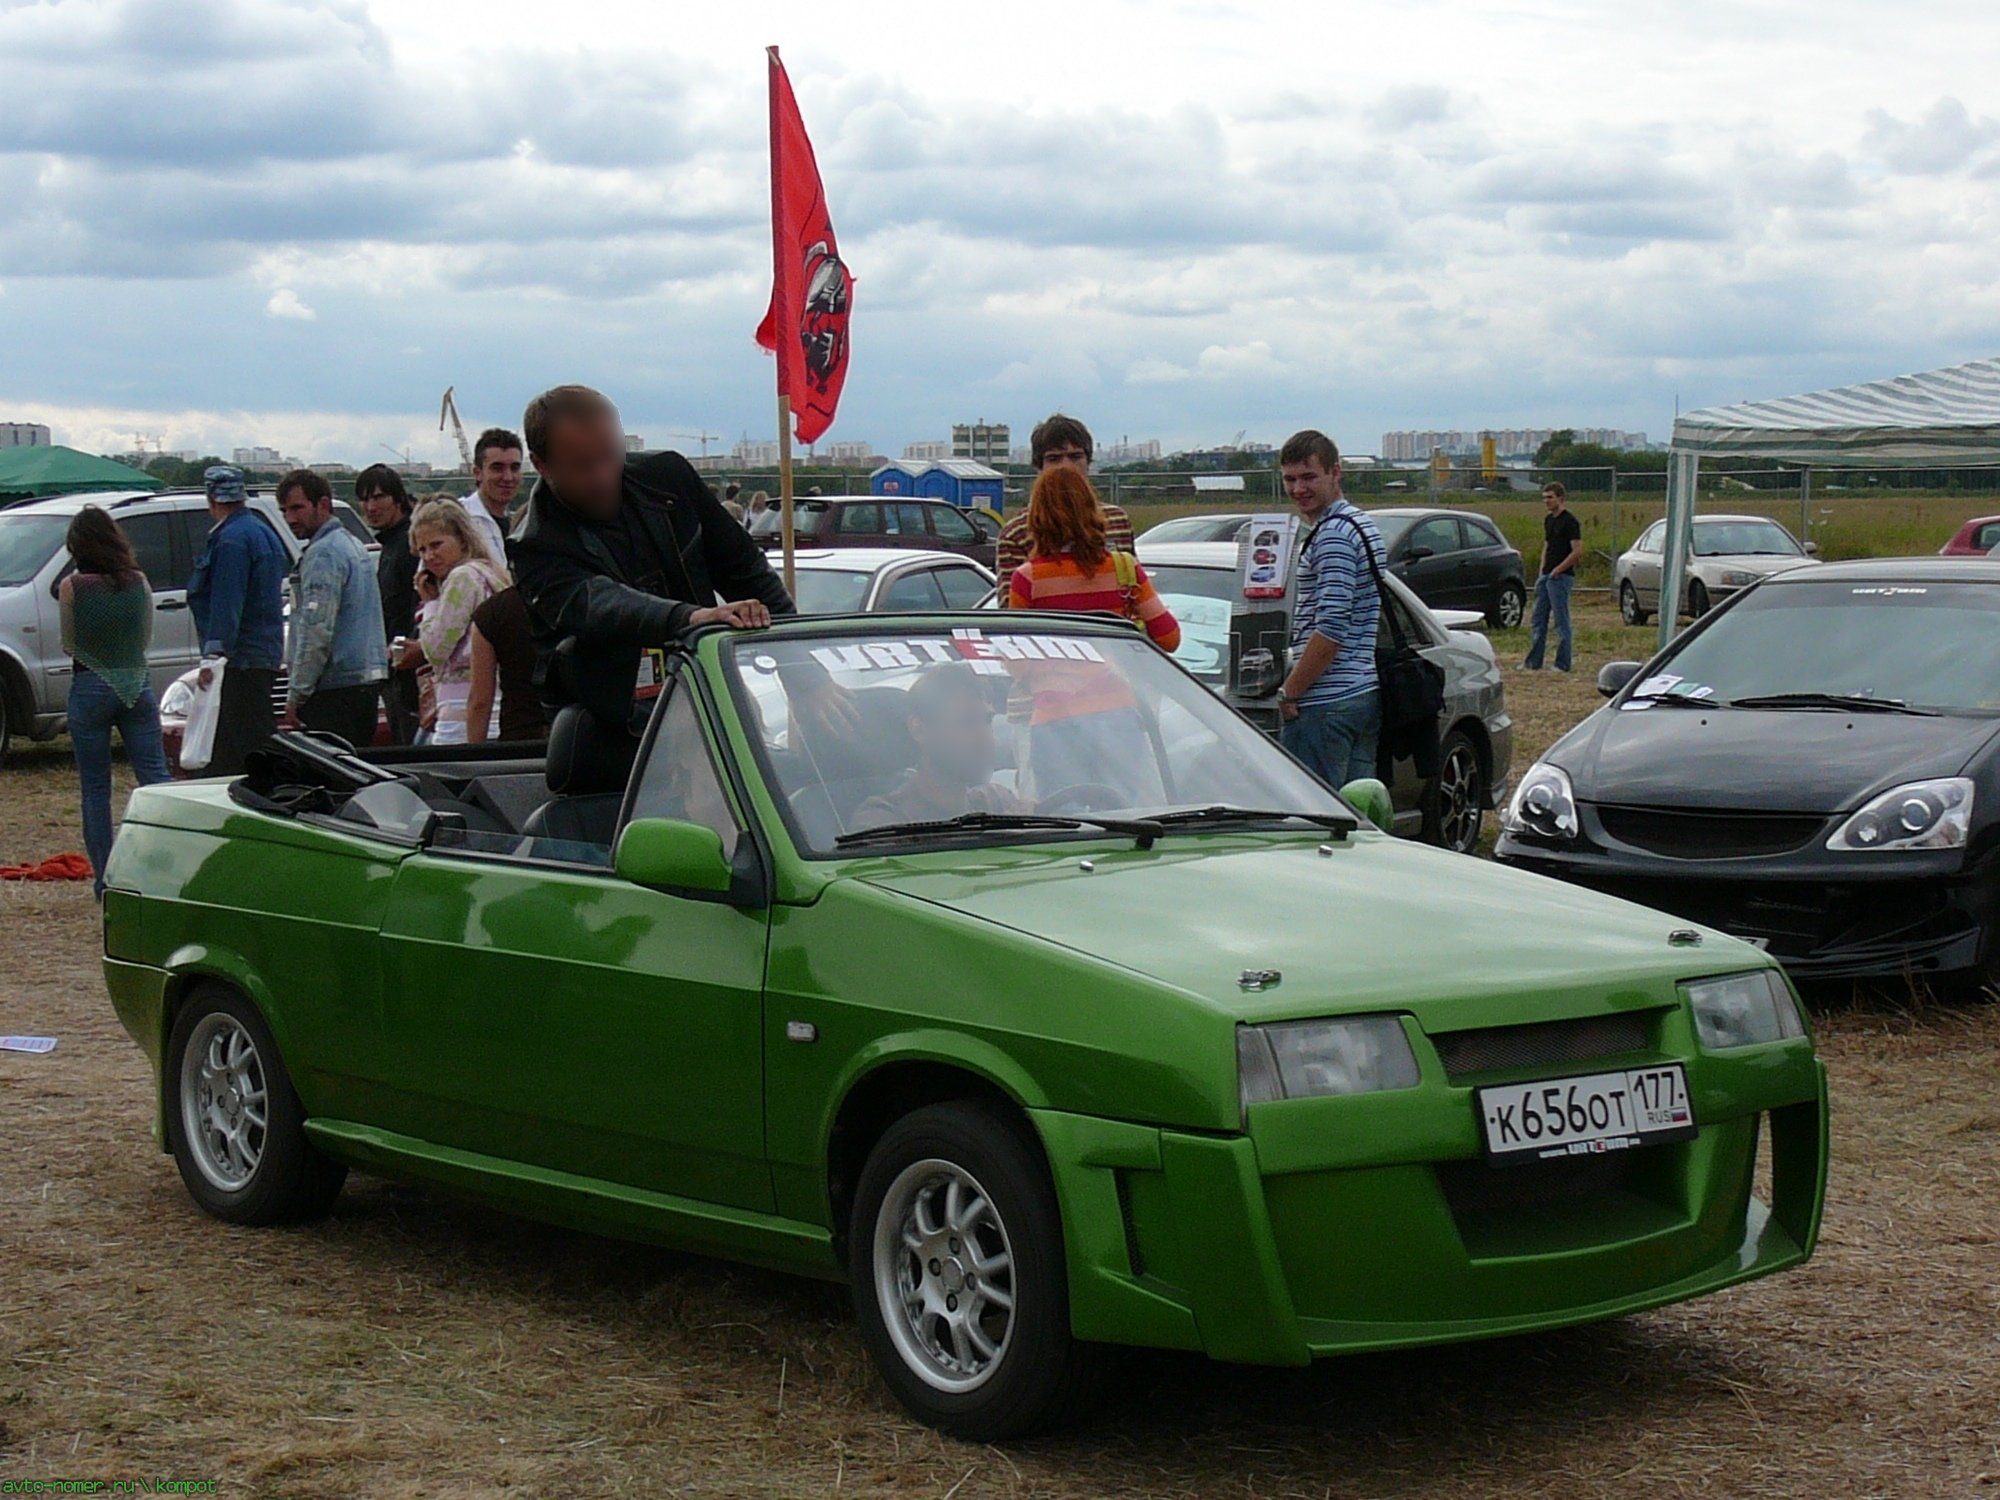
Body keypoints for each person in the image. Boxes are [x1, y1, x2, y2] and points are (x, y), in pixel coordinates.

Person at [511, 384, 807, 729]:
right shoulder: (533, 545)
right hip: (610, 723)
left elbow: (745, 568)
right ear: (541, 464)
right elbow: (600, 605)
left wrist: (803, 675)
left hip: (704, 689)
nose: (603, 477)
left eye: (610, 456)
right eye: (583, 465)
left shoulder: (669, 478)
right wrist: (692, 618)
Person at [1006, 465, 1178, 803]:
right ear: (1092, 510)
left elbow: (1017, 665)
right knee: (1127, 812)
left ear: (1037, 517)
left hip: (1054, 719)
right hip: (1117, 712)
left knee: (1064, 820)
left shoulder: (1028, 580)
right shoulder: (1124, 568)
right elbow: (1169, 637)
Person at [58, 507, 170, 899]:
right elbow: (145, 635)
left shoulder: (73, 586)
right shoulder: (137, 581)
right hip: (136, 684)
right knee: (156, 781)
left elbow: (69, 641)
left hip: (89, 685)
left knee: (95, 789)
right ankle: (168, 867)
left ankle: (106, 882)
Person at [1276, 430, 1383, 787]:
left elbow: (1331, 628)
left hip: (1327, 702)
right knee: (1358, 817)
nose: (1298, 489)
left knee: (1317, 818)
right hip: (1360, 690)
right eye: (1290, 479)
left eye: (1309, 477)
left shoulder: (1334, 534)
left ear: (1335, 473)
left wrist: (1290, 692)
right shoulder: (1359, 523)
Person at [186, 464, 288, 775]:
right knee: (232, 752)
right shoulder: (262, 532)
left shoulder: (230, 540)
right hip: (263, 653)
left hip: (239, 660)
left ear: (210, 498)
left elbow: (227, 602)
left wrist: (214, 655)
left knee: (252, 749)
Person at [276, 469, 387, 747]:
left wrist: (297, 694)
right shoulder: (354, 545)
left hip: (333, 690)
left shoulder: (323, 553)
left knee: (331, 777)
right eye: (284, 510)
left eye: (297, 508)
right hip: (364, 684)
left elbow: (316, 629)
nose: (290, 518)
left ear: (323, 504)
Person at [853, 665, 1025, 828]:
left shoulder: (997, 802)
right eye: (967, 722)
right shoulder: (883, 822)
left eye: (987, 721)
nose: (985, 738)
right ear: (919, 730)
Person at [410, 499, 509, 744]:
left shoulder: (462, 579)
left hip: (461, 715)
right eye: (422, 550)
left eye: (436, 545)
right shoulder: (492, 573)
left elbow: (435, 649)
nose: (430, 556)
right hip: (496, 706)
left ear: (463, 539)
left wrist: (430, 603)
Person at [995, 414, 1134, 586]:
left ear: (1088, 462)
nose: (1066, 466)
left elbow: (1132, 588)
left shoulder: (1117, 520)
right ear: (1039, 467)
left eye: (1075, 457)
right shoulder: (1015, 534)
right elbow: (1013, 608)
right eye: (1054, 458)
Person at [355, 463, 421, 742]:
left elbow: (416, 609)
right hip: (395, 673)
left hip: (410, 676)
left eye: (378, 497)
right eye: (365, 498)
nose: (371, 506)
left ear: (398, 498)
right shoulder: (392, 545)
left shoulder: (410, 544)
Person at [465, 585, 548, 744]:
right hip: (577, 734)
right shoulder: (584, 603)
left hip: (520, 734)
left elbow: (480, 701)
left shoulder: (492, 611)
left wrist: (475, 755)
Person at [1523, 480, 1582, 672]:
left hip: (1561, 578)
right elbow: (1547, 545)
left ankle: (1562, 663)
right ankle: (1534, 662)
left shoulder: (1570, 521)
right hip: (1546, 576)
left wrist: (1559, 569)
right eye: (1544, 498)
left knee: (1561, 621)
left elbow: (1577, 551)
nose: (1546, 501)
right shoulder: (1549, 520)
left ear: (1560, 498)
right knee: (1538, 619)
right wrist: (1543, 570)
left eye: (1550, 497)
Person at [458, 427, 525, 571]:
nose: (508, 477)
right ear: (478, 473)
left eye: (514, 468)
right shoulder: (456, 519)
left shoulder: (523, 525)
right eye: (497, 468)